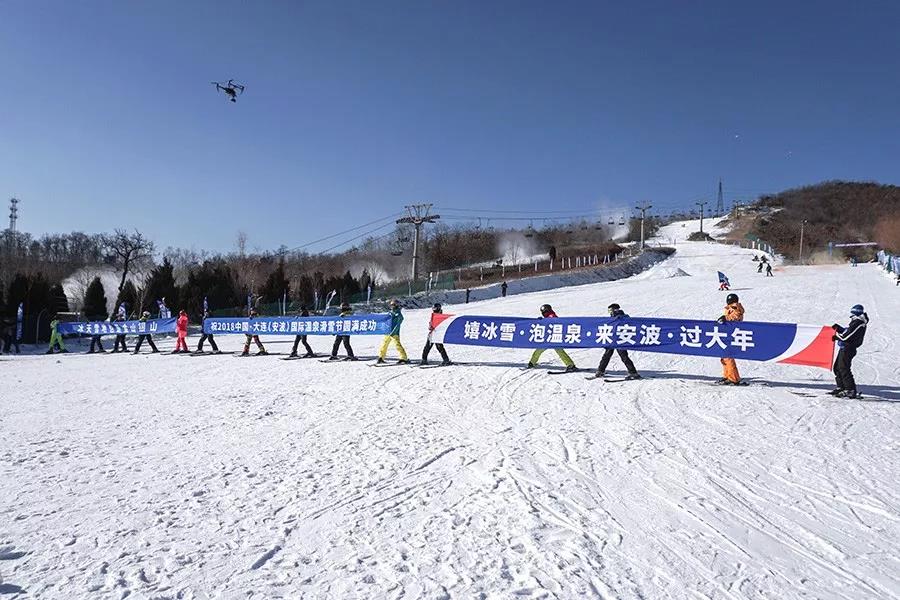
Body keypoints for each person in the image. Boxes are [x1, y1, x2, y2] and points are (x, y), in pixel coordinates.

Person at [830, 304, 868, 399]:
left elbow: (847, 336)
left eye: (852, 313)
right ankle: (841, 387)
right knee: (837, 368)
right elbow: (848, 332)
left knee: (844, 368)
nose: (851, 315)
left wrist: (837, 337)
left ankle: (850, 390)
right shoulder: (856, 322)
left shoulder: (858, 322)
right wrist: (839, 329)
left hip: (848, 348)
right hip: (844, 347)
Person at [526, 304, 577, 372]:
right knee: (539, 350)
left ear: (549, 310)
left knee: (559, 351)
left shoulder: (552, 316)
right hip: (548, 338)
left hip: (554, 338)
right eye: (543, 312)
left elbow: (552, 321)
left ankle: (570, 365)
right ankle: (532, 362)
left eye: (545, 312)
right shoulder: (548, 317)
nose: (544, 314)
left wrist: (543, 321)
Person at [595, 303, 640, 379]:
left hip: (620, 340)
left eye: (610, 310)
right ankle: (600, 370)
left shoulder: (623, 317)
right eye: (609, 311)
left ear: (615, 309)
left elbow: (629, 324)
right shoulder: (611, 318)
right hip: (612, 340)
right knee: (606, 355)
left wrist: (620, 318)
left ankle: (633, 372)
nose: (610, 312)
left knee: (624, 356)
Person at [715, 293, 744, 384]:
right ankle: (727, 375)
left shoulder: (736, 308)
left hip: (732, 335)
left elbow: (736, 317)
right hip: (727, 334)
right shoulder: (730, 308)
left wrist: (725, 318)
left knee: (728, 357)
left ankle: (733, 378)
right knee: (724, 356)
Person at [377, 300, 410, 364]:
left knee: (397, 345)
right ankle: (381, 357)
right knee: (384, 344)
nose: (392, 306)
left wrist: (394, 331)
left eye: (393, 305)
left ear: (396, 305)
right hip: (388, 331)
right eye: (391, 305)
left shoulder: (398, 314)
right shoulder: (390, 313)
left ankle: (403, 358)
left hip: (394, 333)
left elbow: (398, 323)